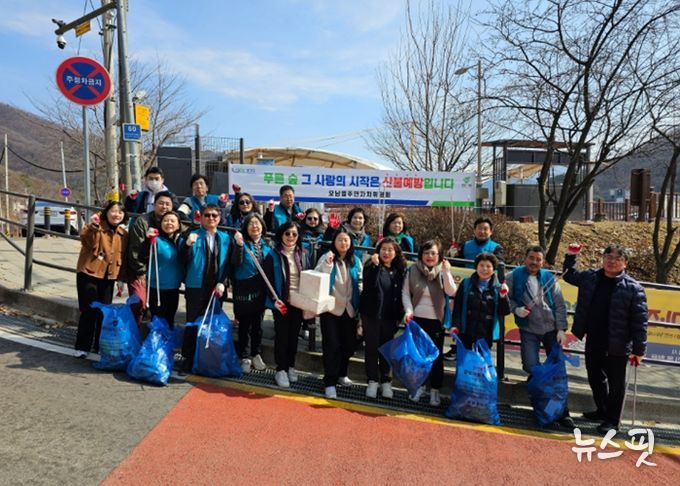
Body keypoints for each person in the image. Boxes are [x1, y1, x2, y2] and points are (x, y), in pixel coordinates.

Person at [563, 243, 648, 434]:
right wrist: (571, 256)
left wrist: (638, 350)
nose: (612, 261)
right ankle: (602, 410)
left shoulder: (633, 288)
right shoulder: (590, 277)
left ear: (625, 263)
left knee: (616, 383)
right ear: (603, 259)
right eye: (608, 257)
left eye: (618, 258)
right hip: (594, 337)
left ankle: (612, 420)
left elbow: (640, 322)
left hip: (618, 343)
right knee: (594, 375)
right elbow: (569, 275)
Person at [506, 245, 574, 428]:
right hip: (528, 328)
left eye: (538, 259)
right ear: (525, 258)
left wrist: (561, 329)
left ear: (543, 262)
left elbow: (559, 305)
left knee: (558, 371)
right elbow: (505, 297)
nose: (534, 262)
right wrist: (516, 309)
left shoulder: (549, 278)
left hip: (551, 329)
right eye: (531, 258)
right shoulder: (513, 276)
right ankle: (544, 407)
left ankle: (563, 412)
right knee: (530, 366)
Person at [402, 240, 457, 406]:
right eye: (426, 253)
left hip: (436, 322)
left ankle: (435, 390)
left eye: (433, 253)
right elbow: (406, 293)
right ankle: (418, 387)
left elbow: (451, 291)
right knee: (417, 356)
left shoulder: (442, 271)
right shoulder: (413, 270)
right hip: (417, 320)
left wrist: (447, 272)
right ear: (421, 255)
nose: (430, 256)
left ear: (439, 256)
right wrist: (408, 311)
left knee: (436, 357)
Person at [179, 204, 231, 373]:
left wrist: (223, 282)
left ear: (219, 218)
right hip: (196, 286)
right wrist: (187, 245)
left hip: (216, 288)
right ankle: (188, 358)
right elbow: (182, 259)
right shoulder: (192, 235)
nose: (211, 218)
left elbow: (229, 264)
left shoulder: (225, 238)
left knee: (212, 325)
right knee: (192, 323)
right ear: (200, 217)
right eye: (207, 215)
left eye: (214, 215)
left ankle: (208, 358)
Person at [443, 217, 505, 361]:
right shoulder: (466, 245)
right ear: (474, 230)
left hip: (486, 288)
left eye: (485, 229)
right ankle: (457, 348)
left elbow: (499, 265)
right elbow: (456, 262)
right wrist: (452, 254)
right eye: (479, 228)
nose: (482, 231)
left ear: (491, 232)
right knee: (462, 316)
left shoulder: (496, 247)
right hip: (467, 287)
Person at [74, 201, 128, 357]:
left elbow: (123, 258)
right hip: (88, 273)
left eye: (120, 212)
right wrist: (93, 226)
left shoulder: (123, 235)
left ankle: (99, 346)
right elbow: (86, 240)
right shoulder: (96, 227)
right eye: (113, 211)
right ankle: (82, 346)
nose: (117, 214)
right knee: (89, 311)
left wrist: (121, 279)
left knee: (103, 313)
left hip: (109, 277)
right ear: (106, 212)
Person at [315, 228, 363, 399]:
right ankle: (330, 382)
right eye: (340, 240)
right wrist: (328, 265)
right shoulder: (326, 257)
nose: (343, 243)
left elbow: (360, 282)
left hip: (349, 309)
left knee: (348, 344)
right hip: (330, 309)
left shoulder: (356, 261)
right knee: (332, 345)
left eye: (346, 240)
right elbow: (318, 277)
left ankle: (342, 373)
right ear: (334, 242)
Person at [263, 221, 310, 388]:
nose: (291, 237)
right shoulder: (273, 254)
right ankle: (280, 369)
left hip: (298, 302)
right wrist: (274, 300)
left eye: (294, 234)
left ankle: (290, 366)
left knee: (293, 337)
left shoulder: (303, 253)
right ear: (281, 235)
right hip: (281, 303)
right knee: (282, 337)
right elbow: (266, 280)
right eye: (287, 233)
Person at [360, 237, 406, 399]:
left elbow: (402, 295)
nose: (386, 253)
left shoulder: (399, 270)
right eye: (383, 249)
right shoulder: (371, 265)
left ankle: (386, 381)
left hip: (390, 317)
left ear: (396, 253)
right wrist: (375, 265)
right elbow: (369, 285)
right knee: (371, 349)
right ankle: (372, 380)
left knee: (387, 350)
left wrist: (399, 316)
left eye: (390, 250)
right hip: (371, 315)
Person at [230, 213, 272, 373]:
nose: (255, 226)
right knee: (244, 325)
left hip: (260, 289)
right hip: (244, 289)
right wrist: (239, 245)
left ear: (262, 226)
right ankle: (245, 356)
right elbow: (235, 262)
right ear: (246, 227)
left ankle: (256, 353)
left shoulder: (268, 244)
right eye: (251, 223)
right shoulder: (241, 243)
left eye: (257, 223)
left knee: (258, 325)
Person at [126, 190, 176, 324]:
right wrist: (140, 271)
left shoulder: (173, 221)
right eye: (161, 203)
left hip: (160, 274)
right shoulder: (143, 221)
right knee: (139, 302)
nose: (164, 207)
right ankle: (134, 330)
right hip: (140, 270)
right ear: (154, 205)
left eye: (168, 204)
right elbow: (135, 249)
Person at [452, 253, 510, 349]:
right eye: (481, 265)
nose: (484, 269)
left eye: (488, 266)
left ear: (493, 269)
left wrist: (503, 296)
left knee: (482, 359)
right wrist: (455, 325)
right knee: (465, 358)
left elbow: (505, 311)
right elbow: (458, 307)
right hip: (466, 332)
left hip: (486, 334)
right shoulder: (466, 283)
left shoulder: (498, 287)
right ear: (476, 267)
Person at [143, 211, 183, 328]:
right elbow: (142, 255)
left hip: (174, 287)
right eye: (165, 220)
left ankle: (167, 340)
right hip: (156, 288)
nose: (169, 223)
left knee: (170, 320)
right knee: (157, 321)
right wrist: (147, 240)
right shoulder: (155, 239)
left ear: (178, 225)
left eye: (172, 221)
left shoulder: (180, 241)